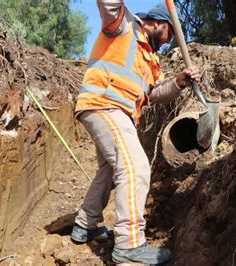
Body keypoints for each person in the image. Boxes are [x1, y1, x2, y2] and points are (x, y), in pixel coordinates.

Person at [70, 1, 200, 264]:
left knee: (110, 169)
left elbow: (152, 94)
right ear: (159, 24)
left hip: (119, 113)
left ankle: (85, 224)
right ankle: (130, 244)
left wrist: (178, 83)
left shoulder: (150, 58)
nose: (168, 42)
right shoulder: (122, 24)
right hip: (105, 104)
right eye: (169, 35)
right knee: (135, 168)